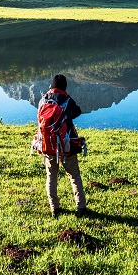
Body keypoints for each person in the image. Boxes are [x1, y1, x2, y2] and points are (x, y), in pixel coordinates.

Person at [38, 74, 87, 217]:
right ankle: (81, 208)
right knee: (74, 176)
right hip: (66, 145)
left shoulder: (43, 100)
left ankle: (55, 208)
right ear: (64, 87)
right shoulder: (66, 100)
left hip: (48, 145)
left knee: (51, 176)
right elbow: (77, 111)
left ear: (51, 86)